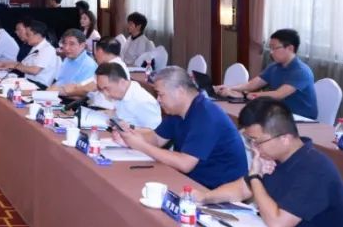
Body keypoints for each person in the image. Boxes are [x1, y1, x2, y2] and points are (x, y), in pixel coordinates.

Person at [196, 100, 343, 227]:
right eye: (250, 141)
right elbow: (241, 189)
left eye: (257, 142)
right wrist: (204, 197)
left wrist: (255, 177)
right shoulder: (277, 157)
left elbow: (278, 224)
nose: (254, 149)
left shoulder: (316, 170)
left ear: (285, 138)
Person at [111, 67, 247, 188]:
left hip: (217, 191)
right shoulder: (177, 110)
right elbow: (157, 139)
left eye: (161, 94)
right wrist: (130, 136)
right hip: (192, 182)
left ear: (180, 91)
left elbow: (185, 164)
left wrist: (141, 145)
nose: (158, 100)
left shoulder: (206, 115)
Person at [213, 29, 318, 120]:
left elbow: (278, 94)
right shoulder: (274, 67)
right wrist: (228, 88)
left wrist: (245, 95)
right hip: (279, 114)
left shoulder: (301, 71)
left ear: (290, 48)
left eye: (274, 48)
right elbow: (251, 85)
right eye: (270, 48)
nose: (271, 52)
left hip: (301, 118)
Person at [93, 62, 162, 129]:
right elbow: (123, 115)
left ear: (122, 82)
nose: (105, 94)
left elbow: (155, 132)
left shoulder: (142, 101)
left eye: (107, 88)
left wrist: (129, 127)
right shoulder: (121, 94)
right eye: (101, 89)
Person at [0, 20, 59, 87]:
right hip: (28, 82)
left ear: (38, 35)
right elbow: (22, 64)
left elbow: (34, 70)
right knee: (0, 82)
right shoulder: (35, 47)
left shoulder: (47, 49)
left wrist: (15, 66)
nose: (26, 37)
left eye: (28, 35)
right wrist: (5, 64)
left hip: (38, 85)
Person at [48, 30, 98, 94]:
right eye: (65, 43)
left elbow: (82, 93)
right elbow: (59, 82)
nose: (66, 48)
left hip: (69, 98)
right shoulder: (67, 59)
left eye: (72, 44)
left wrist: (55, 91)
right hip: (56, 95)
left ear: (82, 45)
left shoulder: (89, 65)